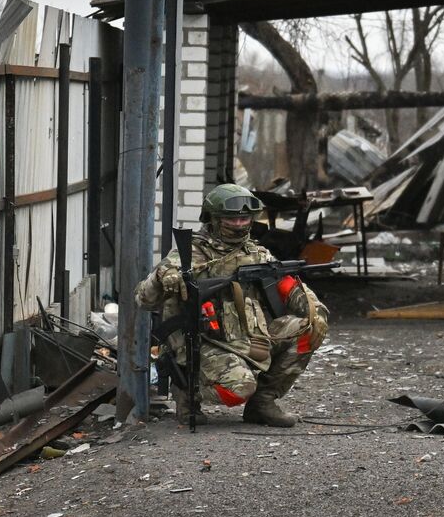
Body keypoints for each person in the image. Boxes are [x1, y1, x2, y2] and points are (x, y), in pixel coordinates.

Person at [135, 183, 329, 427]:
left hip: (251, 337)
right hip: (208, 342)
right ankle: (187, 390)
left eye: (244, 219)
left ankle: (262, 404)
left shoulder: (255, 253)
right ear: (213, 219)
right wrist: (163, 277)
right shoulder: (190, 254)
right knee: (240, 388)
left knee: (311, 327)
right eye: (230, 219)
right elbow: (143, 300)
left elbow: (288, 286)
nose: (239, 225)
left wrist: (313, 308)